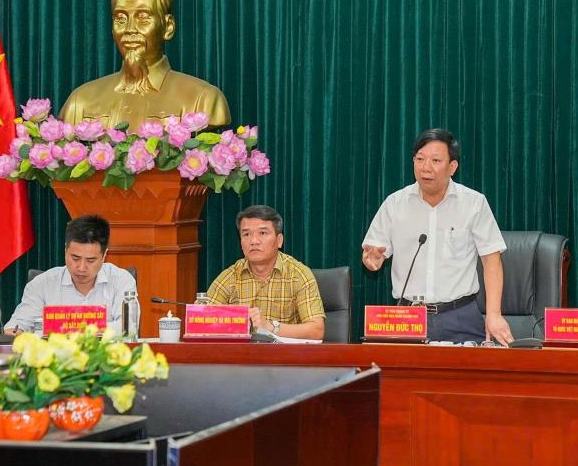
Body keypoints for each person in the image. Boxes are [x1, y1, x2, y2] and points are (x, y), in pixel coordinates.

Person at [362, 129, 511, 345]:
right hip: (408, 318)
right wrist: (372, 259)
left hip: (460, 316)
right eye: (420, 159)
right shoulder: (394, 204)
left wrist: (494, 314)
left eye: (435, 160)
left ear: (452, 167)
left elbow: (492, 260)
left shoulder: (473, 203)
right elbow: (373, 254)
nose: (425, 167)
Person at [59, 0, 231, 129]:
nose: (130, 29)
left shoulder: (203, 100)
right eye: (121, 18)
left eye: (143, 17)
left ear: (168, 27)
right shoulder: (80, 101)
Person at [206, 205, 325, 340]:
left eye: (262, 233)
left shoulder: (298, 274)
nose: (254, 241)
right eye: (246, 234)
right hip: (242, 357)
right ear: (240, 242)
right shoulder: (230, 276)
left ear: (279, 240)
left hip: (285, 357)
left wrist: (270, 327)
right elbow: (202, 322)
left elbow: (316, 330)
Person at [4, 214, 136, 333]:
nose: (81, 267)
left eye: (91, 260)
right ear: (65, 250)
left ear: (104, 255)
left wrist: (69, 326)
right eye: (75, 258)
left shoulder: (121, 280)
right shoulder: (42, 284)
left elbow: (128, 327)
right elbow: (16, 326)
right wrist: (16, 332)